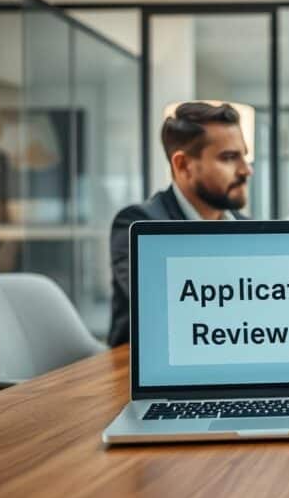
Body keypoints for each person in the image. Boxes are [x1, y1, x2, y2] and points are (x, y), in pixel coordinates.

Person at [107, 102, 252, 347]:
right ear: (183, 165)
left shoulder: (249, 229)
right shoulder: (139, 225)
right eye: (229, 157)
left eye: (244, 156)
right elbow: (165, 308)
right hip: (145, 371)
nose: (246, 170)